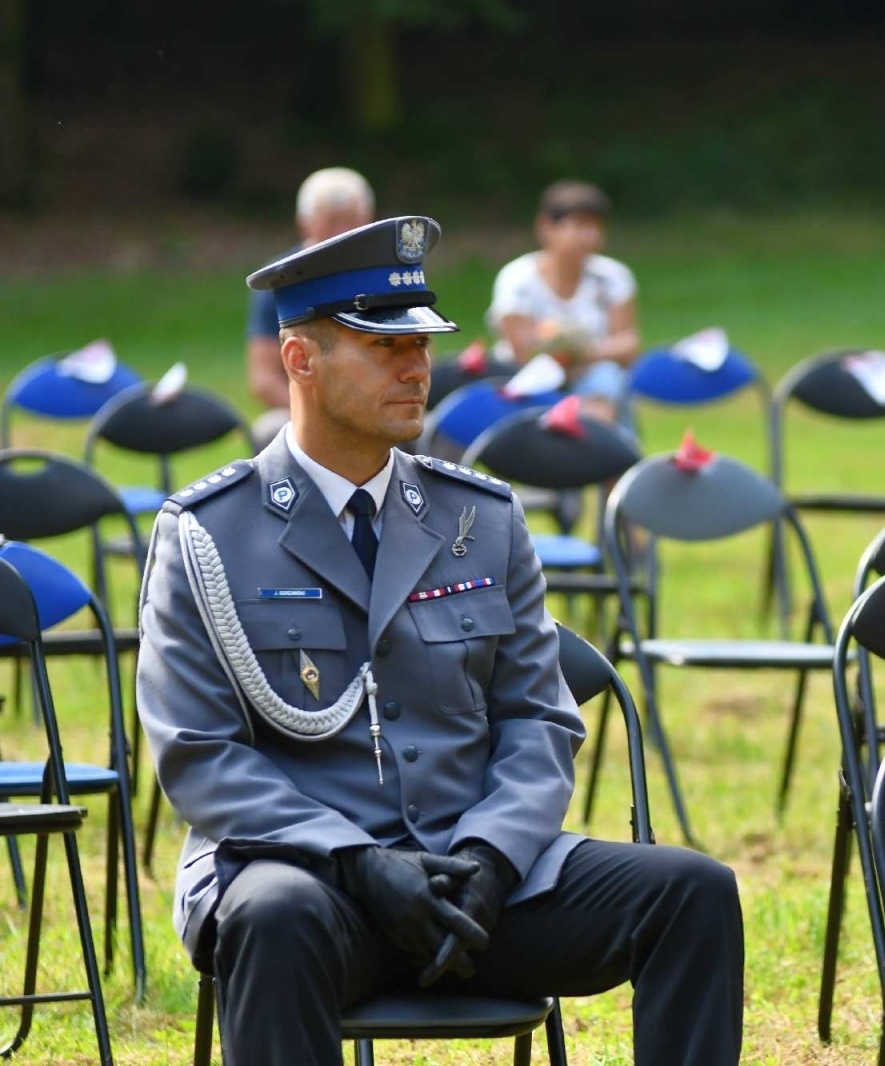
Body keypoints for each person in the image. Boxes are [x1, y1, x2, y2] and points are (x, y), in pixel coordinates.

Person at [138, 216, 743, 1066]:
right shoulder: (209, 531)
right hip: (312, 885)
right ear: (300, 360)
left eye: (421, 342)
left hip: (476, 881)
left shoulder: (479, 516)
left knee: (692, 893)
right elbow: (199, 753)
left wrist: (493, 856)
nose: (417, 366)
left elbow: (539, 720)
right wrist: (355, 862)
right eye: (384, 347)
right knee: (273, 918)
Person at [486, 180, 641, 424]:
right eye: (579, 226)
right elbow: (523, 351)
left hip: (595, 379)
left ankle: (602, 449)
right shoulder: (518, 279)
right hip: (529, 379)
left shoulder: (612, 277)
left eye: (596, 227)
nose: (590, 236)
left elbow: (628, 344)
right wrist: (588, 352)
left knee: (606, 378)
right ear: (546, 227)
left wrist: (576, 352)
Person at [246, 166, 375, 449]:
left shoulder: (385, 275)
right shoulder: (278, 280)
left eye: (351, 219)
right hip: (303, 402)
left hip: (375, 403)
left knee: (430, 427)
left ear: (368, 219)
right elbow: (264, 378)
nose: (342, 231)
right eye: (332, 220)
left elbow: (415, 353)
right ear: (304, 223)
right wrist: (320, 415)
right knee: (269, 430)